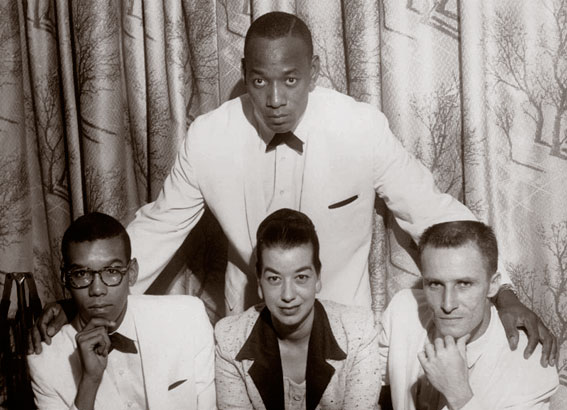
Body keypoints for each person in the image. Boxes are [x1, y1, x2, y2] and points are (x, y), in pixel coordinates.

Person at [30, 11, 555, 365]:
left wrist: (502, 290)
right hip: (247, 340)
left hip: (343, 339)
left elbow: (432, 212)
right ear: (244, 75)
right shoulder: (209, 137)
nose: (276, 98)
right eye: (260, 81)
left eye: (291, 79)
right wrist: (78, 299)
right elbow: (157, 227)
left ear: (315, 73)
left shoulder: (360, 128)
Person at [27, 212, 219, 410]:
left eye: (111, 271)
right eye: (81, 274)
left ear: (132, 273)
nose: (97, 289)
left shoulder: (187, 318)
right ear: (66, 279)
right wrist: (89, 382)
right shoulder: (46, 360)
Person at [377, 221, 558, 410]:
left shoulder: (532, 364)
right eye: (435, 284)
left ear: (493, 286)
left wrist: (458, 393)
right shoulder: (403, 309)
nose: (447, 303)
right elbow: (369, 382)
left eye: (464, 284)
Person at [215, 208, 385, 410]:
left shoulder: (358, 330)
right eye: (274, 278)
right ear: (259, 282)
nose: (287, 295)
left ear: (318, 278)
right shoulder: (229, 337)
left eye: (301, 277)